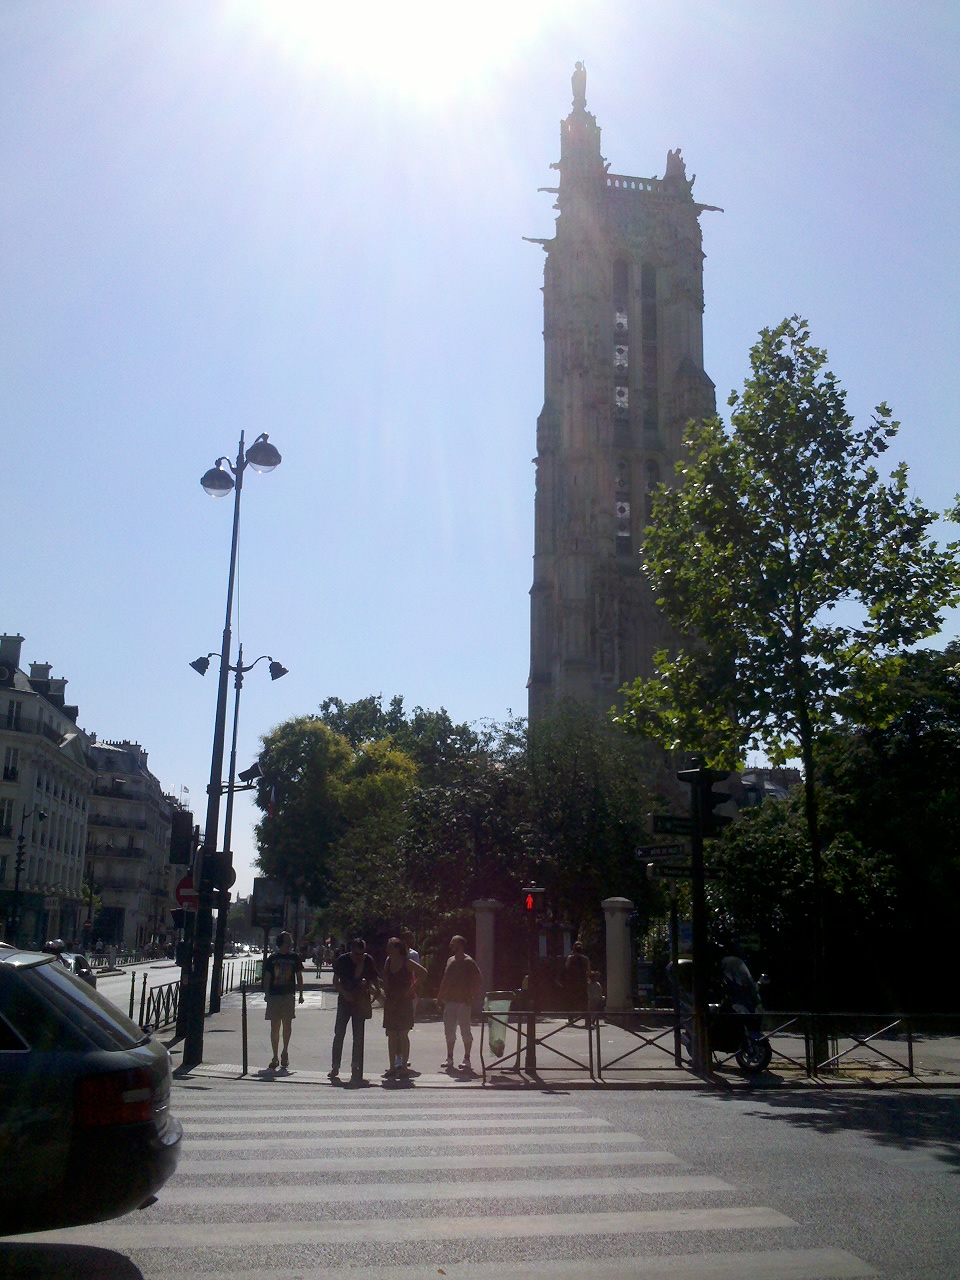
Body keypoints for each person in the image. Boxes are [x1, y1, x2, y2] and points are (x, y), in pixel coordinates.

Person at [330, 937, 380, 1084]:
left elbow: (374, 979)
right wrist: (345, 993)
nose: (359, 957)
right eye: (356, 954)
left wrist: (376, 991)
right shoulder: (343, 960)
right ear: (351, 950)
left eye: (361, 953)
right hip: (345, 1001)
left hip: (360, 1002)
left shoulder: (367, 960)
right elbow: (335, 982)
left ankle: (356, 1067)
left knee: (358, 1036)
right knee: (339, 1033)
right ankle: (335, 1066)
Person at [380, 937, 427, 1078]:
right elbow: (385, 977)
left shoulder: (407, 962)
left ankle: (404, 1067)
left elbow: (423, 973)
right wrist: (385, 993)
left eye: (390, 947)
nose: (387, 950)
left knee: (402, 1034)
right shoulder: (388, 962)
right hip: (391, 1001)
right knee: (391, 1035)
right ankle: (392, 1067)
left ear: (397, 948)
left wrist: (413, 988)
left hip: (404, 1002)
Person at [436, 934, 484, 1073]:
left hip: (463, 1002)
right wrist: (439, 997)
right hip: (449, 1001)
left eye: (454, 943)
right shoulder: (450, 960)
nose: (451, 946)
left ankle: (467, 1059)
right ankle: (449, 1057)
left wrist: (471, 995)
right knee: (449, 1030)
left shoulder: (469, 961)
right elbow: (445, 980)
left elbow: (478, 980)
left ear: (461, 945)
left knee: (465, 1030)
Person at [262, 931, 305, 1071]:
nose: (290, 942)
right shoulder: (272, 958)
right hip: (274, 995)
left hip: (288, 995)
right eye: (287, 940)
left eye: (290, 940)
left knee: (287, 1025)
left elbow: (299, 976)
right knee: (274, 1027)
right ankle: (275, 1056)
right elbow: (267, 977)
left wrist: (301, 994)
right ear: (281, 942)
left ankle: (285, 1051)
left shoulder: (294, 957)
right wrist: (266, 993)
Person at [565, 941, 591, 1012]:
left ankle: (571, 1014)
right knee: (584, 998)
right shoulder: (585, 959)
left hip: (572, 981)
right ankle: (585, 1014)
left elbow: (566, 967)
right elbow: (589, 970)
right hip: (582, 981)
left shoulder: (570, 958)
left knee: (571, 998)